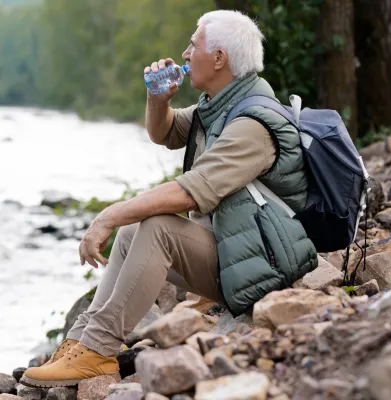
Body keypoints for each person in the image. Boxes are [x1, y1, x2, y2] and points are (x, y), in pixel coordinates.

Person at [21, 10, 317, 388]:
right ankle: (82, 342)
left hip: (267, 265)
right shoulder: (223, 105)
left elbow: (187, 191)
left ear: (220, 58)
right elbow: (166, 132)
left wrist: (109, 215)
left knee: (157, 227)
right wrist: (157, 99)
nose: (185, 52)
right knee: (132, 236)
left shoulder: (252, 126)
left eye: (193, 45)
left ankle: (98, 353)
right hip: (239, 252)